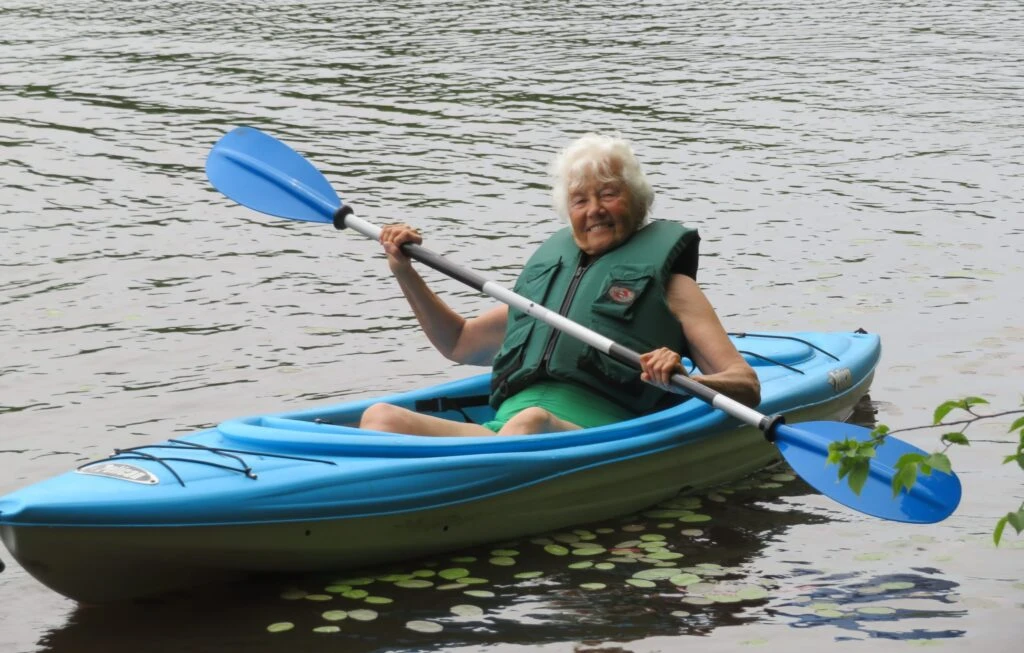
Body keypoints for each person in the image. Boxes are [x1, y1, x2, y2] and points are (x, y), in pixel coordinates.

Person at [360, 133, 760, 436]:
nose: (595, 210)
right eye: (580, 200)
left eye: (609, 194)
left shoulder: (674, 288)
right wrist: (404, 270)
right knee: (380, 417)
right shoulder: (546, 285)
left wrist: (684, 378)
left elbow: (745, 385)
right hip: (503, 433)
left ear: (637, 203)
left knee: (532, 421)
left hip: (586, 436)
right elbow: (459, 343)